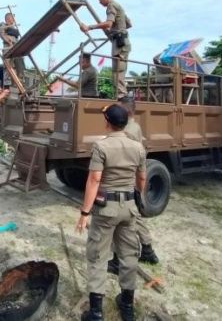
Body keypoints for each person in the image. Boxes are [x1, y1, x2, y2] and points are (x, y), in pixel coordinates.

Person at [76, 104, 146, 321]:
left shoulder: (101, 146)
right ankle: (127, 306)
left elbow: (95, 179)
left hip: (106, 209)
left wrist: (85, 213)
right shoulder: (138, 147)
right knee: (128, 255)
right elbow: (141, 179)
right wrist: (136, 195)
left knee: (98, 255)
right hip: (129, 208)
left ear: (107, 122)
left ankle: (96, 312)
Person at [107, 97, 159, 276]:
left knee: (117, 221)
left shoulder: (127, 130)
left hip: (123, 180)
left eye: (119, 108)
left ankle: (117, 260)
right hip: (132, 177)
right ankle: (147, 250)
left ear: (127, 111)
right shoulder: (135, 126)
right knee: (134, 216)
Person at [80, 0, 132, 100]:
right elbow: (129, 24)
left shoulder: (111, 5)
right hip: (123, 42)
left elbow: (108, 24)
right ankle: (122, 95)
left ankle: (121, 96)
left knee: (116, 72)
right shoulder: (119, 6)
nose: (99, 2)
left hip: (119, 43)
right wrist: (116, 29)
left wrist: (89, 27)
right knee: (120, 71)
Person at [0, 12, 27, 88]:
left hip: (16, 46)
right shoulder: (3, 25)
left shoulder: (14, 28)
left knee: (18, 64)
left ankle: (19, 80)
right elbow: (2, 34)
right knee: (8, 65)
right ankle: (7, 82)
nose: (14, 20)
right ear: (8, 18)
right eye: (12, 18)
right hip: (8, 46)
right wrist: (9, 41)